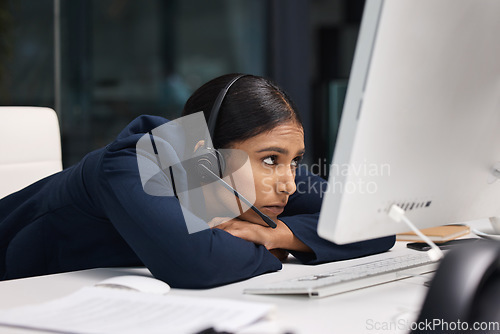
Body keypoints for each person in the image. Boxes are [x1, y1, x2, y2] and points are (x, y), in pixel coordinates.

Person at [0, 74, 395, 288]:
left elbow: (375, 223)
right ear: (207, 152)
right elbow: (197, 265)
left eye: (293, 162)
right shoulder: (132, 160)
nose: (289, 184)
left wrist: (279, 236)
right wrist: (261, 251)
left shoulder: (260, 176)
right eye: (271, 160)